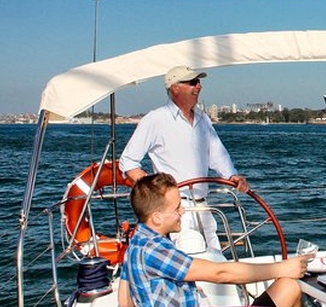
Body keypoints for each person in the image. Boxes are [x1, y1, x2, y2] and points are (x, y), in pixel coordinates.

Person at [117, 173, 308, 307]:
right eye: (177, 208)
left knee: (288, 286)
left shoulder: (138, 242)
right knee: (289, 286)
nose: (182, 211)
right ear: (157, 217)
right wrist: (282, 268)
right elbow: (220, 273)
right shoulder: (154, 250)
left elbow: (124, 300)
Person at [120, 66, 249, 250]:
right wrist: (157, 193)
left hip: (204, 207)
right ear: (175, 88)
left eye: (199, 82)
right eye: (193, 82)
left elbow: (217, 155)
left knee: (215, 257)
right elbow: (128, 162)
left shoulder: (203, 119)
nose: (199, 87)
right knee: (193, 258)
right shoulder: (156, 119)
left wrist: (232, 175)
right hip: (177, 210)